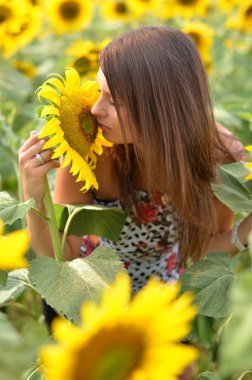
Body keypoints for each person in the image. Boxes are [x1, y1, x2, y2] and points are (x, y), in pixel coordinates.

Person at [19, 23, 251, 342]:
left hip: (160, 303)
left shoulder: (219, 159)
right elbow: (65, 254)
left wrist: (245, 231)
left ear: (160, 108)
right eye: (100, 92)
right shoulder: (91, 146)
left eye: (113, 101)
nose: (96, 111)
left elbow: (201, 254)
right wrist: (34, 197)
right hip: (86, 295)